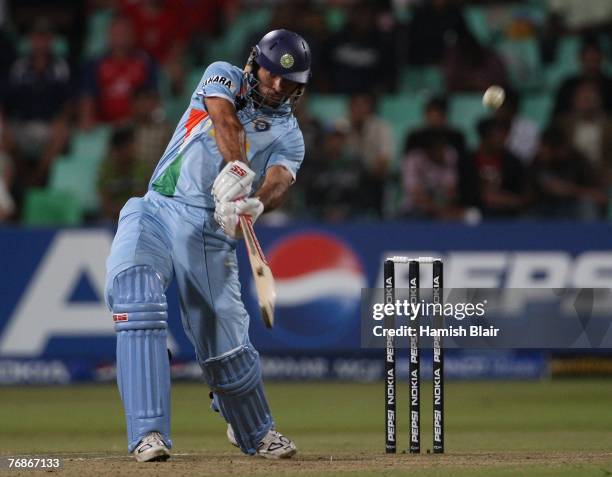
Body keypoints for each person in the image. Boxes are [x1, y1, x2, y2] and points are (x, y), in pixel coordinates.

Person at [104, 29, 309, 462]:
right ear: (255, 64)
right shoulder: (223, 75)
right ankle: (148, 434)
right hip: (158, 210)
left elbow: (278, 184)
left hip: (210, 234)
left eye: (288, 83)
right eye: (271, 75)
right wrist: (237, 165)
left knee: (227, 351)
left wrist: (253, 205)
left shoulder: (290, 137)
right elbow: (224, 120)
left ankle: (254, 430)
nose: (276, 86)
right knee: (136, 299)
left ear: (300, 89)